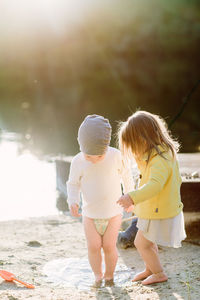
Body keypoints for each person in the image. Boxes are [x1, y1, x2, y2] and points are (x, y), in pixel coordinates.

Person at [117, 110, 186, 285]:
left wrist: (132, 197)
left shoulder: (159, 158)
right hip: (153, 208)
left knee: (142, 243)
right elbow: (146, 182)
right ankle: (150, 268)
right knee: (148, 242)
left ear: (143, 139)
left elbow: (155, 185)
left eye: (133, 145)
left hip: (159, 209)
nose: (132, 150)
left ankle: (159, 273)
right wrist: (136, 203)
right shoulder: (155, 154)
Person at [67, 114, 134, 287]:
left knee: (109, 246)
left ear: (106, 146)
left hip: (113, 213)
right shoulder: (78, 161)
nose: (94, 160)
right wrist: (73, 201)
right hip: (89, 214)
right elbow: (73, 184)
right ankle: (97, 275)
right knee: (94, 246)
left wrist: (130, 196)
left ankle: (109, 275)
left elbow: (127, 176)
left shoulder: (115, 156)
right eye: (89, 156)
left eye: (99, 156)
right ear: (81, 146)